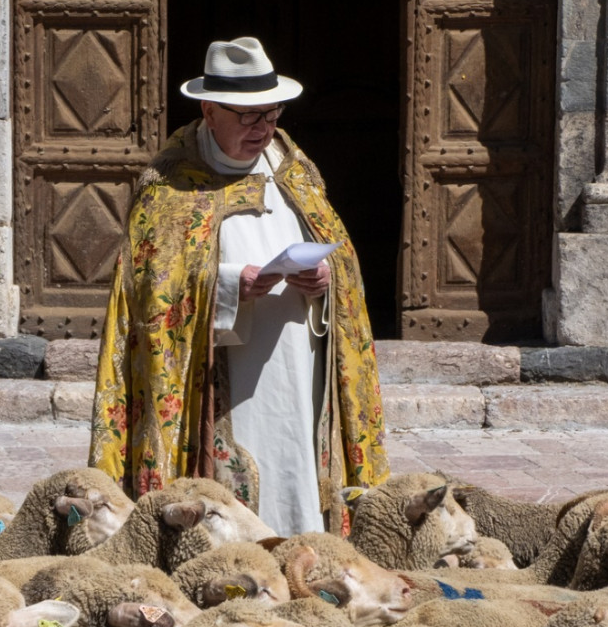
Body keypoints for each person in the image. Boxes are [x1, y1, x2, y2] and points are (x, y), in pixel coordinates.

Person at [88, 37, 388, 535]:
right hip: (224, 374)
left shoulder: (293, 166)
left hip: (299, 361)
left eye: (271, 115)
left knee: (296, 461)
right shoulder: (170, 181)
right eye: (248, 117)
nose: (263, 129)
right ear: (209, 110)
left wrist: (325, 281)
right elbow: (148, 287)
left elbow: (340, 256)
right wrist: (228, 286)